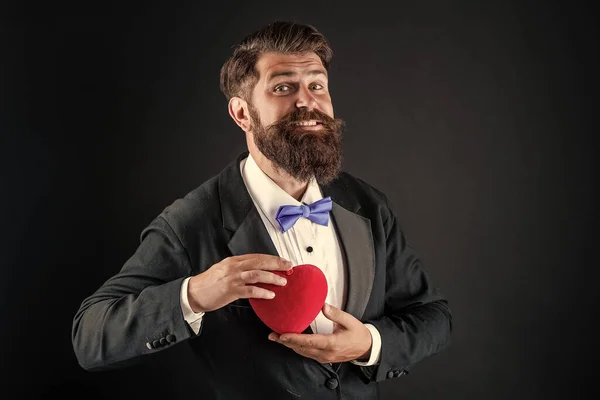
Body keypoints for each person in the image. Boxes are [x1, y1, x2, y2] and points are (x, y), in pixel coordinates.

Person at [72, 21, 452, 399]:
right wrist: (195, 294)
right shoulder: (192, 222)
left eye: (316, 85)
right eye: (283, 87)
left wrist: (369, 344)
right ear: (242, 114)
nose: (307, 101)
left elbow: (433, 316)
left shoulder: (367, 204)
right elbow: (90, 338)